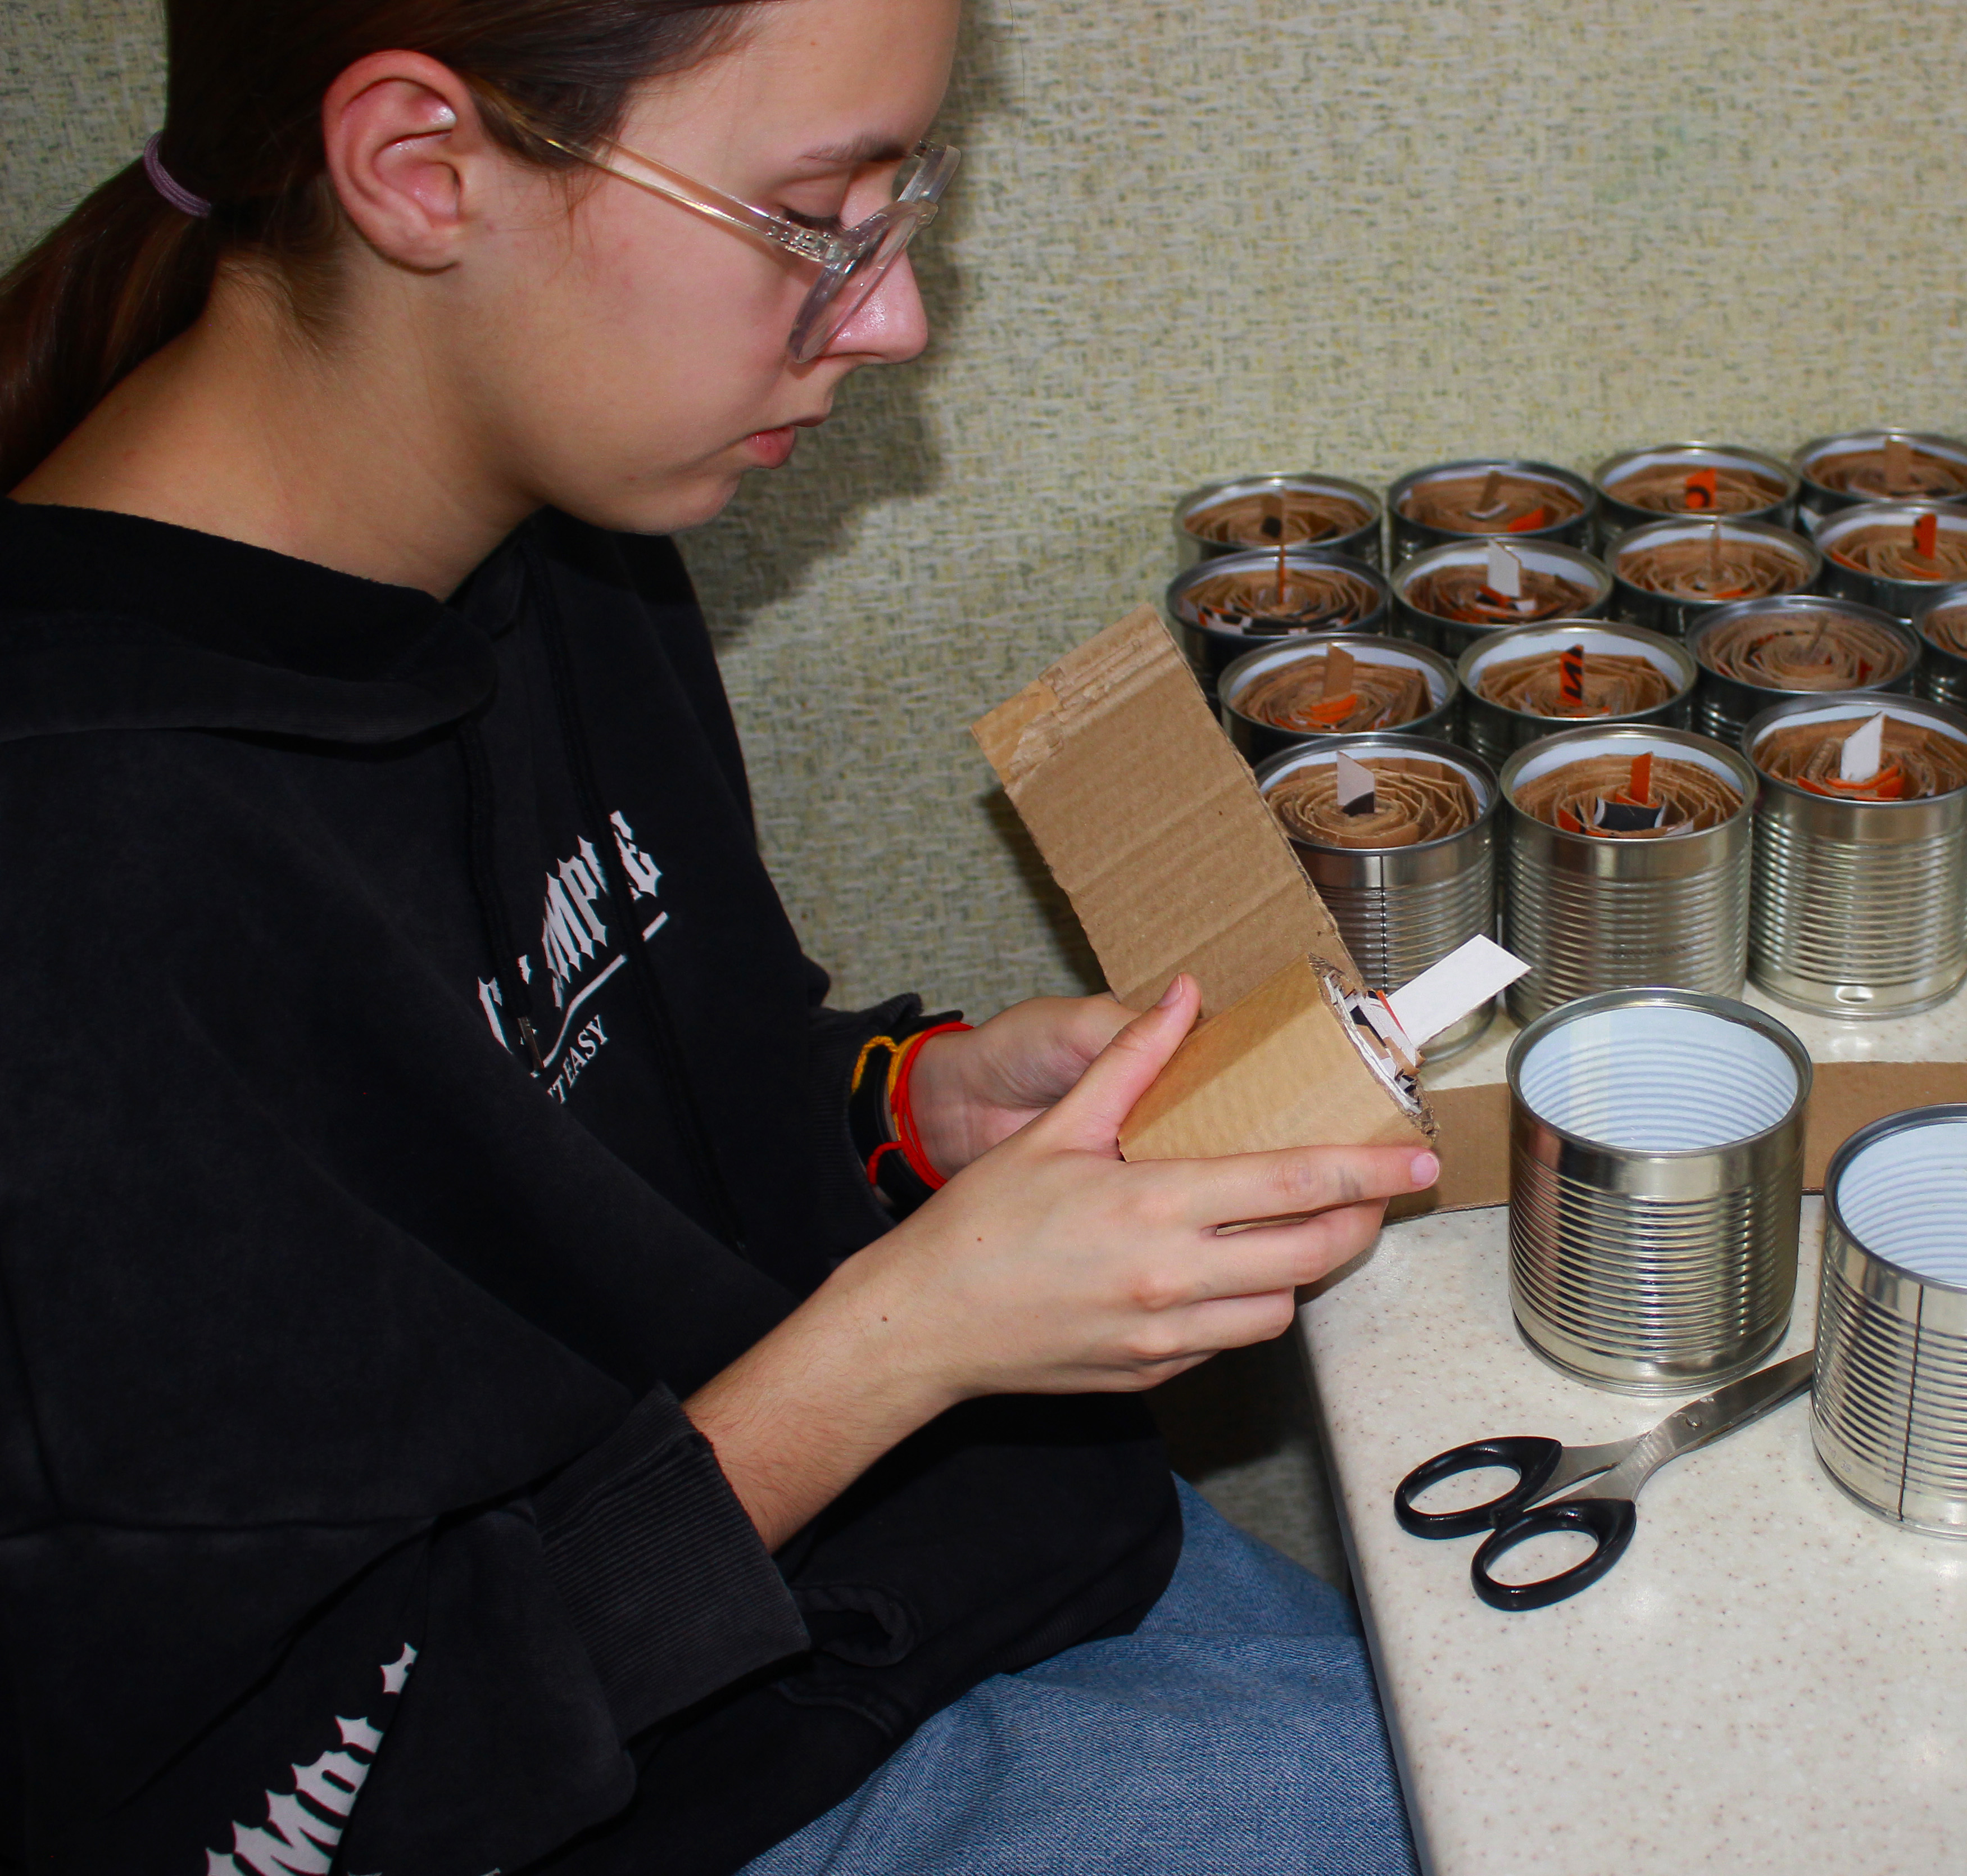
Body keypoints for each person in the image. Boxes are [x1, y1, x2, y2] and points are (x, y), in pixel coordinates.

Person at [0, 1, 1435, 1870]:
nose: (892, 318)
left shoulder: (554, 529)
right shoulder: (76, 871)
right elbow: (288, 1796)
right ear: (422, 169)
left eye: (903, 208)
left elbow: (560, 1123)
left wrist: (903, 1107)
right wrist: (899, 1344)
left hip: (917, 1565)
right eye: (814, 222)